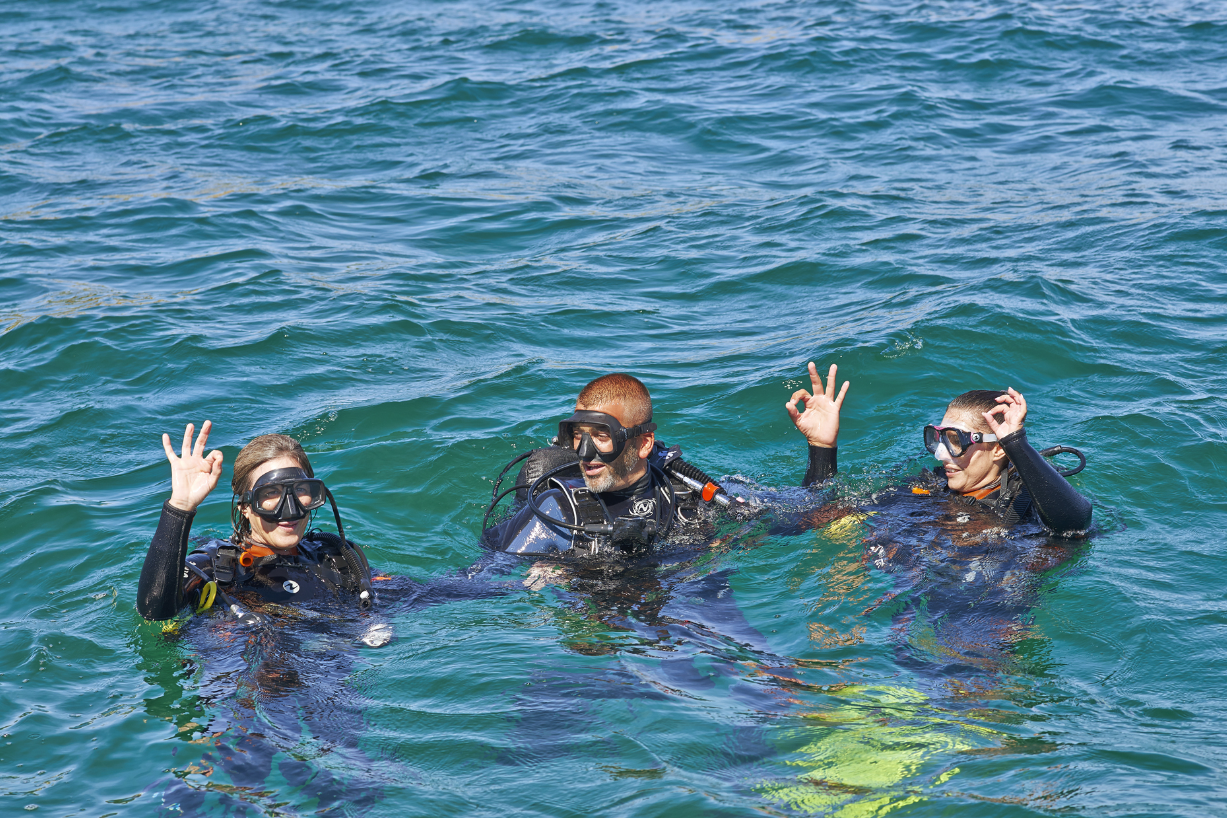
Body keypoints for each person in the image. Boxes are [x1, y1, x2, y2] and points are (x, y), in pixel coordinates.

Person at [787, 360, 1092, 532]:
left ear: (998, 449)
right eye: (938, 438)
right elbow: (817, 510)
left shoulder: (1024, 502)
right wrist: (821, 447)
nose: (941, 453)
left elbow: (1076, 524)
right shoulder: (930, 487)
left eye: (956, 441)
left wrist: (1016, 442)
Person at [137, 420, 377, 625]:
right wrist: (180, 507)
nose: (290, 509)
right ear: (245, 507)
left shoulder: (337, 560)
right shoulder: (214, 567)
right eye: (270, 494)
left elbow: (405, 601)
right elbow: (155, 611)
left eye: (301, 490)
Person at [482, 373, 744, 558]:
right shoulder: (557, 510)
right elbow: (478, 582)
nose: (584, 453)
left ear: (643, 443)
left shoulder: (686, 494)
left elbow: (776, 520)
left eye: (601, 436)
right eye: (578, 435)